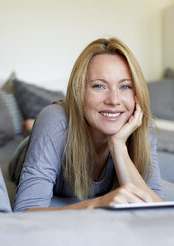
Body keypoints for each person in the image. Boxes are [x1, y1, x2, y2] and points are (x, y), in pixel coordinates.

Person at [11, 37, 164, 212]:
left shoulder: (141, 127)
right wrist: (97, 204)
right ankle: (31, 129)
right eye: (99, 86)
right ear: (79, 91)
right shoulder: (53, 120)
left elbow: (154, 206)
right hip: (31, 146)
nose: (114, 100)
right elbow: (25, 211)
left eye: (125, 87)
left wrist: (117, 145)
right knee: (46, 130)